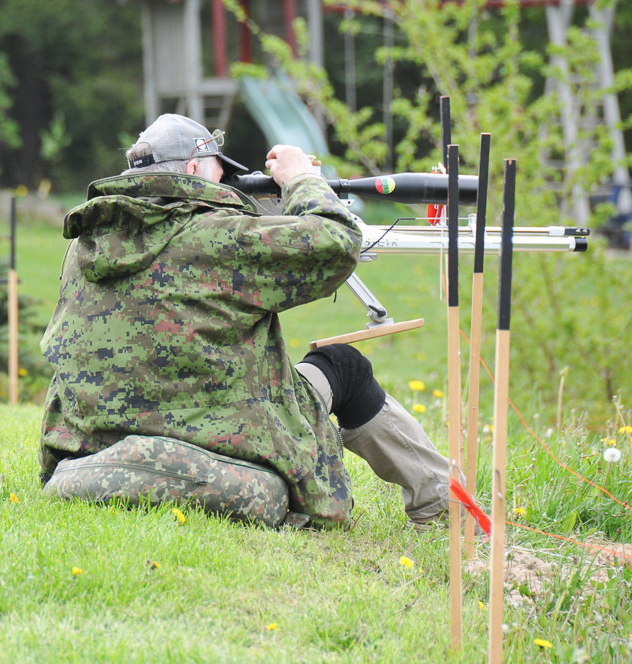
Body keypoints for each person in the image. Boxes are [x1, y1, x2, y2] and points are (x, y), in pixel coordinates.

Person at [38, 113, 451, 529]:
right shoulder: (218, 237)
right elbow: (337, 243)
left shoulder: (85, 245)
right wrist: (302, 180)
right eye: (222, 177)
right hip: (217, 450)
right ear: (195, 169)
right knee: (344, 366)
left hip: (95, 449)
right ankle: (444, 506)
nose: (225, 189)